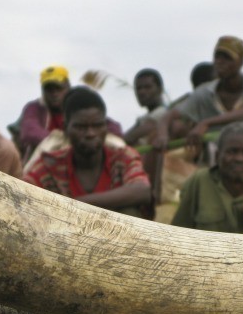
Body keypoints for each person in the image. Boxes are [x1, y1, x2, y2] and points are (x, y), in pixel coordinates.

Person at [23, 86, 153, 218]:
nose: (90, 134)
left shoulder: (122, 157)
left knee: (129, 211)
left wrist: (73, 205)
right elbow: (23, 197)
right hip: (65, 237)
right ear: (65, 128)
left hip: (121, 236)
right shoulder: (49, 166)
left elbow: (142, 190)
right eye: (81, 127)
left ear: (106, 127)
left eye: (97, 125)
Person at [154, 36, 243, 154]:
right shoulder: (205, 92)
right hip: (217, 154)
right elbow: (169, 116)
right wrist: (162, 136)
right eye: (217, 56)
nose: (220, 61)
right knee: (176, 127)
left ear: (241, 62)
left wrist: (206, 123)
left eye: (227, 57)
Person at [18, 65, 123, 163]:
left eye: (58, 88)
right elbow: (29, 132)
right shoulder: (35, 108)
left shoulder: (79, 105)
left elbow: (113, 127)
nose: (54, 93)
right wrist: (62, 141)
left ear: (67, 86)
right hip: (48, 157)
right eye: (49, 89)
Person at [123, 68, 167, 146]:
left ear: (160, 89)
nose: (141, 92)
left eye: (147, 87)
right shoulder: (143, 119)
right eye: (138, 88)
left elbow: (129, 137)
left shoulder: (162, 112)